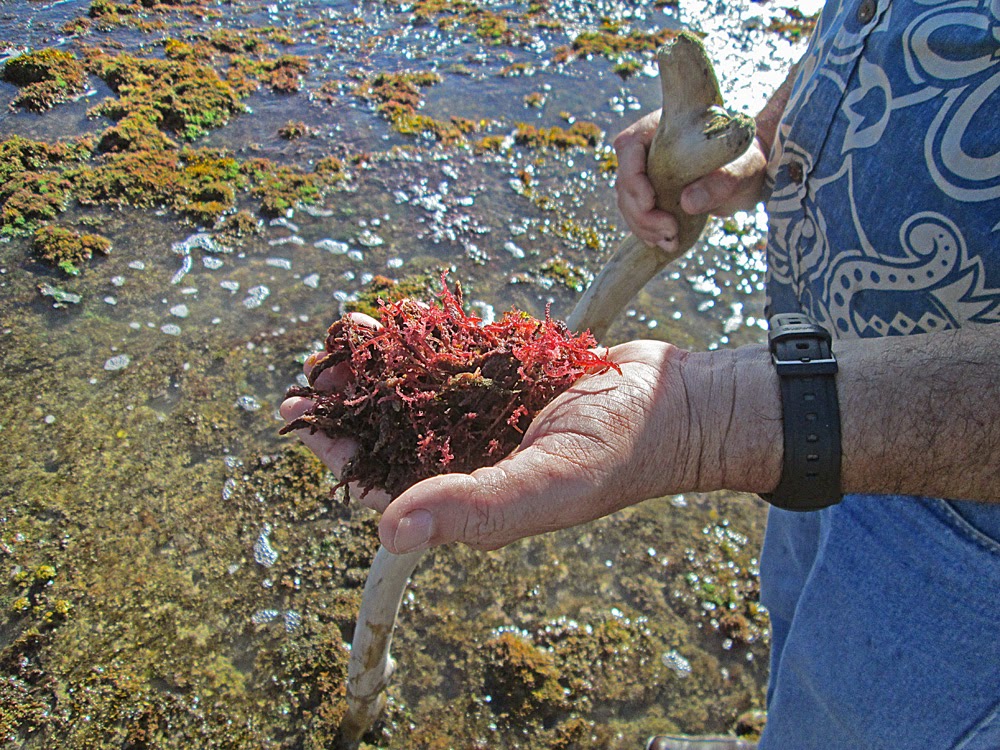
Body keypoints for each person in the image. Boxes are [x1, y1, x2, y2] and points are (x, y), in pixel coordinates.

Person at [281, 0, 1000, 744]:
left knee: (870, 712)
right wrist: (748, 159)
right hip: (808, 407)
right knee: (798, 625)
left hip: (969, 525)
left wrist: (713, 420)